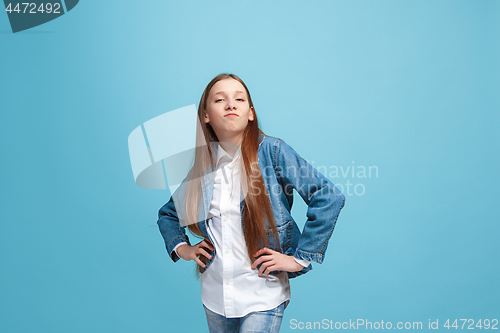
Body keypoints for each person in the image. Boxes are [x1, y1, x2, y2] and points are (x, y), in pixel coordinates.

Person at [157, 73, 346, 332]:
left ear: (250, 113)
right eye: (220, 99)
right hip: (214, 296)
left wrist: (300, 258)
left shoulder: (273, 152)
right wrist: (182, 248)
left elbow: (328, 196)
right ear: (206, 116)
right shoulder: (203, 167)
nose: (230, 104)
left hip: (262, 293)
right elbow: (169, 213)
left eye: (239, 99)